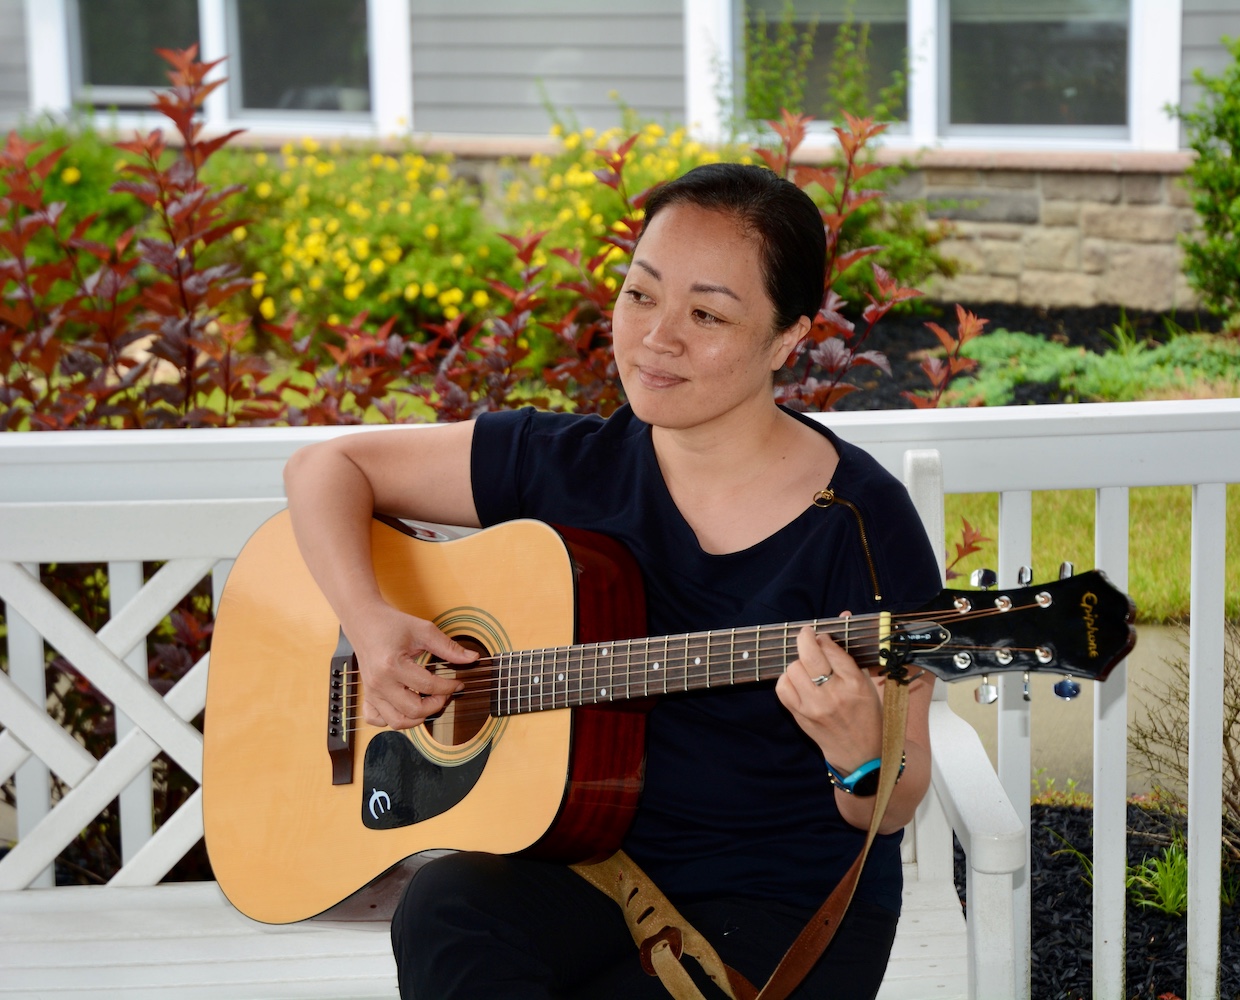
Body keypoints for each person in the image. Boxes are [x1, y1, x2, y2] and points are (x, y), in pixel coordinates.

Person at [281, 162, 943, 999]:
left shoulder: (860, 520)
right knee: (446, 906)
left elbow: (898, 792)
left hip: (778, 905)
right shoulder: (568, 463)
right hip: (594, 865)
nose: (657, 337)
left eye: (705, 313)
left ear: (787, 340)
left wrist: (857, 758)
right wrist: (371, 625)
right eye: (641, 294)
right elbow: (324, 467)